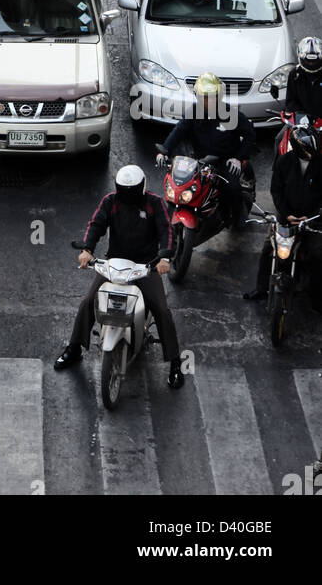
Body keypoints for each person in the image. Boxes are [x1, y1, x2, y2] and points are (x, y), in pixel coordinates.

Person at [54, 165, 184, 388]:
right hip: (114, 265)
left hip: (146, 267)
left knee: (161, 310)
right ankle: (74, 348)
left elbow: (166, 231)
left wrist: (164, 258)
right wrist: (87, 249)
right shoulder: (110, 202)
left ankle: (174, 363)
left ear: (142, 187)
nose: (128, 195)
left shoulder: (155, 203)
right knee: (87, 302)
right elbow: (96, 224)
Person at [156, 73, 254, 229]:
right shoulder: (193, 112)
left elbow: (250, 135)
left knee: (232, 189)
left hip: (225, 161)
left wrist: (238, 157)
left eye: (212, 96)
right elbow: (179, 131)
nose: (208, 101)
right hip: (201, 161)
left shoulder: (231, 114)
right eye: (204, 97)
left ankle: (237, 218)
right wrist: (164, 150)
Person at [244, 124, 322, 309]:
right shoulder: (284, 162)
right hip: (286, 214)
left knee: (318, 254)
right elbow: (276, 190)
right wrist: (287, 214)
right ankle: (262, 288)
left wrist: (311, 216)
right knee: (268, 248)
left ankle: (317, 297)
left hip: (313, 219)